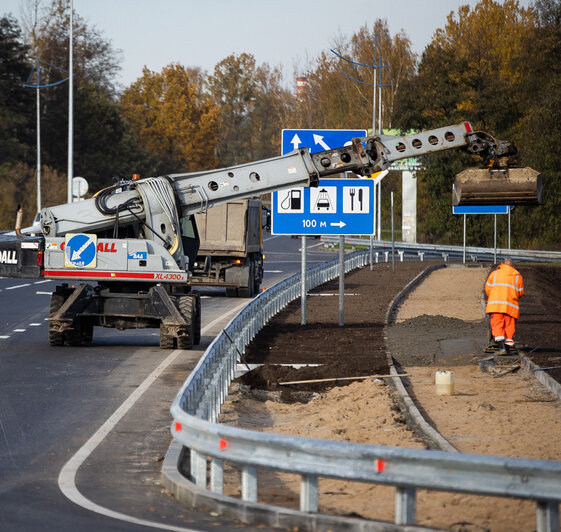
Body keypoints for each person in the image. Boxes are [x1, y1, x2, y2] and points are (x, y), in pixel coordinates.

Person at [485, 258, 524, 354]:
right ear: (512, 266)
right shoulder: (517, 276)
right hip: (511, 306)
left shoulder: (495, 274)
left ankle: (502, 348)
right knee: (509, 327)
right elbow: (520, 292)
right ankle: (507, 349)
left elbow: (488, 289)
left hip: (496, 305)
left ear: (502, 264)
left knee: (498, 325)